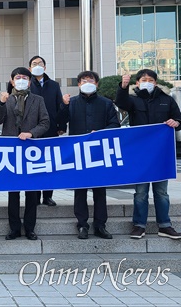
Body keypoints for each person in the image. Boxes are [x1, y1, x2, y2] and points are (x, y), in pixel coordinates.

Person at [115, 69, 181, 240]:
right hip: (140, 156)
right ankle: (139, 225)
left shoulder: (166, 100)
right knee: (141, 193)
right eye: (143, 79)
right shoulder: (133, 101)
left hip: (161, 155)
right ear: (137, 83)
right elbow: (121, 102)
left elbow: (179, 120)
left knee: (161, 192)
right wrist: (123, 86)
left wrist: (176, 122)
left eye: (151, 80)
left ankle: (165, 225)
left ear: (156, 82)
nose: (147, 82)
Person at [58, 71, 120, 240]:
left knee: (100, 190)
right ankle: (82, 225)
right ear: (78, 84)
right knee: (80, 190)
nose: (87, 82)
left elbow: (115, 125)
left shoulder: (106, 103)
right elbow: (60, 124)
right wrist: (63, 105)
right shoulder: (72, 102)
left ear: (97, 84)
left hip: (99, 152)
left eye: (90, 80)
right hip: (78, 152)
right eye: (83, 80)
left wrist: (100, 133)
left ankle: (100, 225)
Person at [0, 67, 49, 241]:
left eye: (25, 77)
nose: (21, 80)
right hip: (11, 152)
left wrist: (31, 133)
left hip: (32, 150)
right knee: (13, 192)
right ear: (12, 81)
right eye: (18, 77)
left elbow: (45, 122)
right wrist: (1, 103)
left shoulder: (38, 100)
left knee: (32, 193)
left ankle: (30, 228)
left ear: (30, 81)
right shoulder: (6, 99)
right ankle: (14, 228)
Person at [29, 56, 65, 207]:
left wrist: (61, 126)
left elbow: (60, 106)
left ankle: (48, 196)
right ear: (30, 68)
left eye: (40, 63)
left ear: (45, 67)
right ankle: (35, 196)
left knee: (49, 164)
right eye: (34, 64)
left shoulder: (54, 85)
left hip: (50, 129)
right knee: (34, 164)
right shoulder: (27, 84)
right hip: (32, 131)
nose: (37, 66)